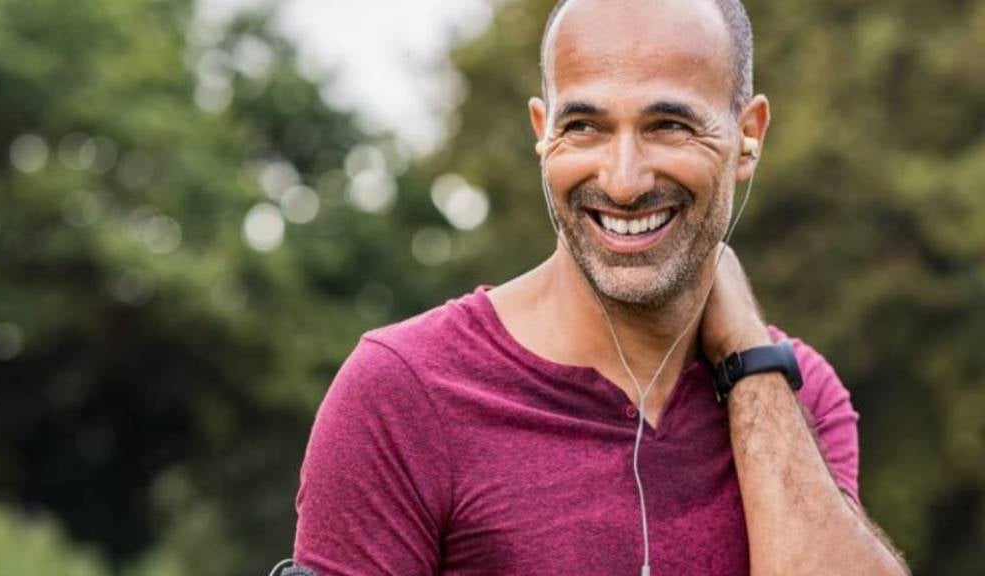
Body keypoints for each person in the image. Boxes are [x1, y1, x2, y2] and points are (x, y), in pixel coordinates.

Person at [290, 0, 910, 574]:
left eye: (669, 125)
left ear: (749, 135)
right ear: (542, 131)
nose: (622, 181)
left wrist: (747, 351)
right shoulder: (402, 393)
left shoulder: (795, 393)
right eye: (584, 126)